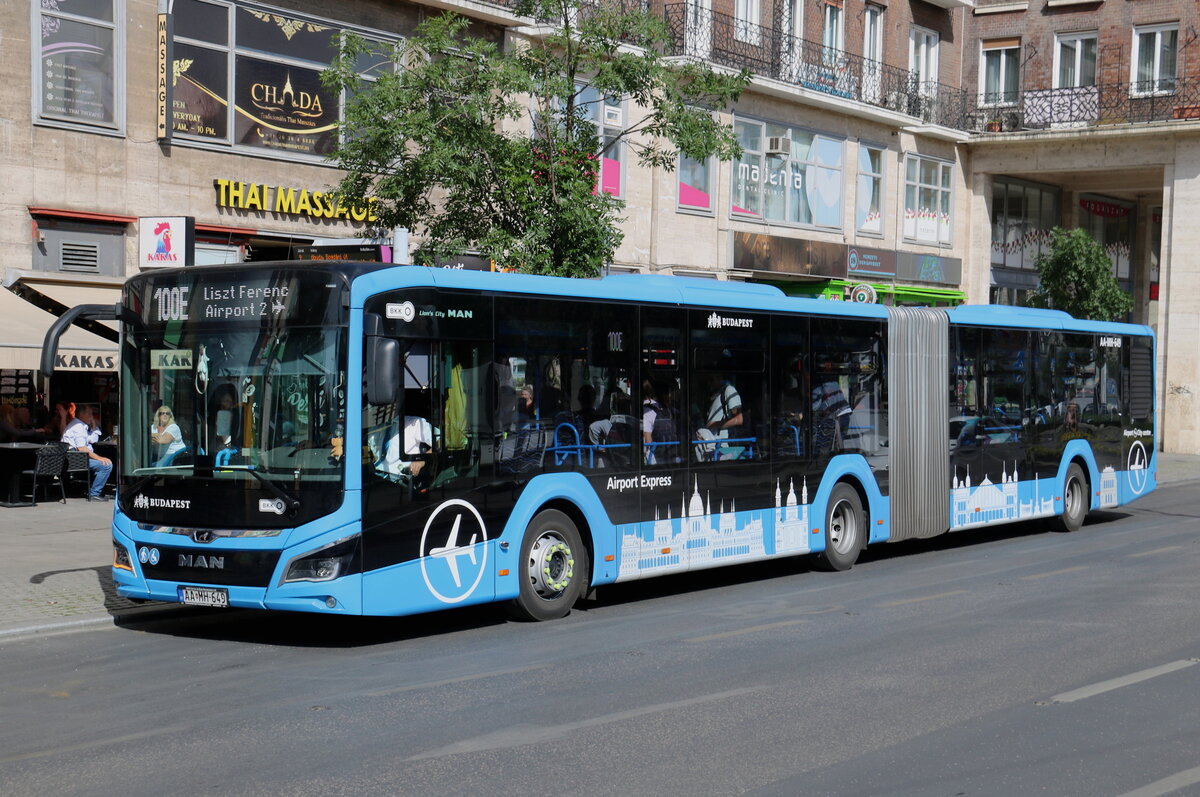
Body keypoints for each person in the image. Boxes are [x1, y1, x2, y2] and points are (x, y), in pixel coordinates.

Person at [62, 403, 112, 501]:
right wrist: (99, 458)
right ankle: (94, 493)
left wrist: (93, 425)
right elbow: (82, 449)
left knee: (103, 462)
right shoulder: (78, 427)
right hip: (74, 460)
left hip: (75, 458)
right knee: (106, 465)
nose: (91, 416)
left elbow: (91, 439)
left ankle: (96, 491)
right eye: (89, 414)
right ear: (81, 414)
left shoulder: (80, 425)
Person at [695, 374, 744, 461]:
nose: (709, 383)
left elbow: (739, 419)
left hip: (723, 447)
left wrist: (714, 424)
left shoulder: (729, 390)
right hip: (713, 446)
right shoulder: (714, 396)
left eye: (712, 380)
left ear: (719, 378)